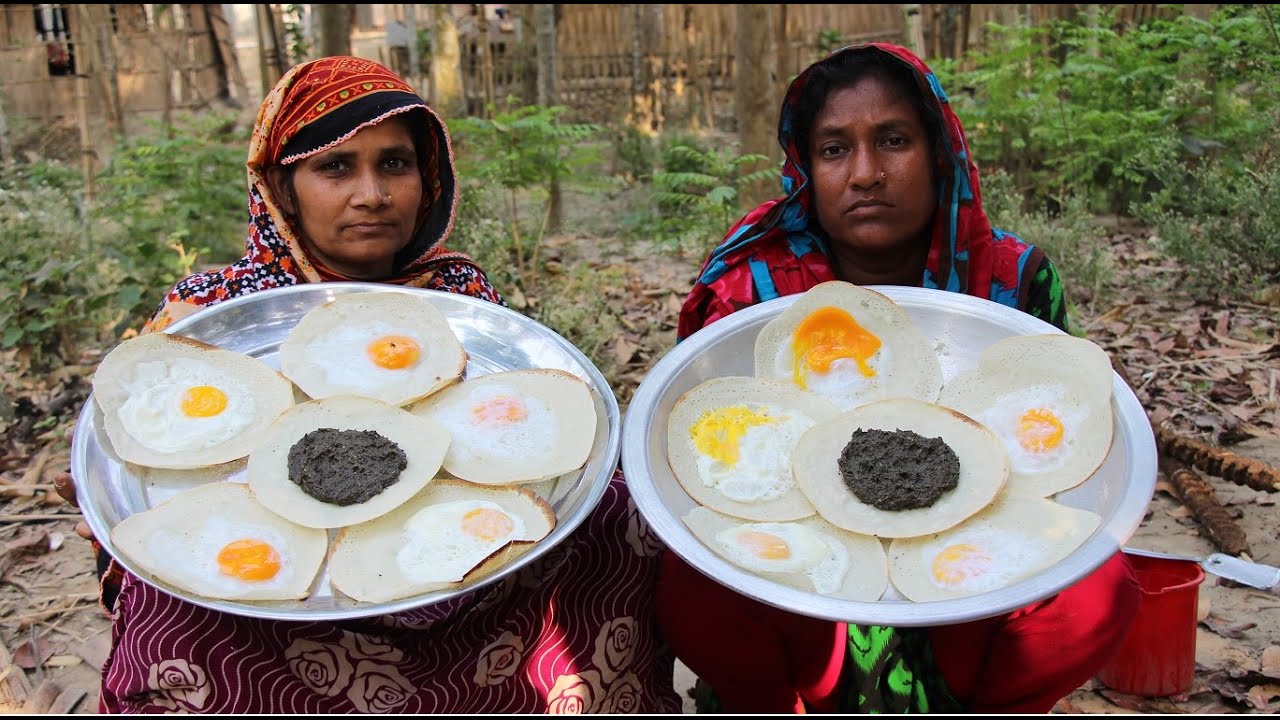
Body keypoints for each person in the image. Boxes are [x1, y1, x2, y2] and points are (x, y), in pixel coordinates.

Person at [54, 56, 679, 714]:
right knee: (165, 609)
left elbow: (514, 450)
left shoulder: (459, 295)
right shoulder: (215, 314)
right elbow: (138, 474)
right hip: (276, 609)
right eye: (335, 167)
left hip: (460, 578)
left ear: (427, 176)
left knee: (614, 516)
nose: (372, 194)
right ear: (282, 184)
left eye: (394, 164)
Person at [657, 43, 1141, 714]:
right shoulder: (751, 293)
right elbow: (699, 487)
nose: (865, 173)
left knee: (1095, 587)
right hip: (798, 557)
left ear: (938, 150)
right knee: (694, 582)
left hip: (972, 554)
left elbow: (1073, 460)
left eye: (892, 140)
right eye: (833, 149)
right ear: (806, 168)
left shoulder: (1009, 281)